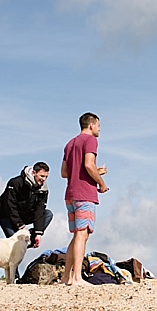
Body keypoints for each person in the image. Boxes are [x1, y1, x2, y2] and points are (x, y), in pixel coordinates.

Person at [61, 112, 108, 287]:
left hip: (70, 193)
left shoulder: (70, 143)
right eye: (98, 125)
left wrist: (95, 172)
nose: (99, 129)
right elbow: (88, 164)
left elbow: (65, 172)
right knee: (83, 234)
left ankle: (67, 277)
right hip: (84, 193)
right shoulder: (90, 141)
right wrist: (101, 183)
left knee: (76, 235)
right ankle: (77, 277)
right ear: (91, 125)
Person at [0, 162, 53, 245]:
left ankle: (30, 240)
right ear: (34, 173)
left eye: (46, 177)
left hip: (25, 214)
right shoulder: (15, 183)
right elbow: (10, 206)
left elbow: (39, 210)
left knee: (48, 214)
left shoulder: (43, 190)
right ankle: (23, 242)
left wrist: (38, 233)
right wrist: (21, 226)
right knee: (15, 244)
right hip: (7, 216)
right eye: (42, 176)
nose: (44, 179)